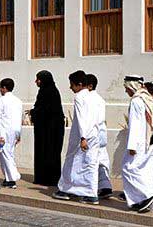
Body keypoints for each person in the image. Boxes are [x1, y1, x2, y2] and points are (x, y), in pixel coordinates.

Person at [56, 70, 100, 204]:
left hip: (81, 135)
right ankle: (90, 192)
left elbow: (81, 118)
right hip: (94, 133)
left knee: (71, 161)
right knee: (89, 164)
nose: (70, 88)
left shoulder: (80, 97)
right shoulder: (95, 97)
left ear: (80, 84)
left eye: (72, 85)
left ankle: (66, 189)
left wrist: (83, 137)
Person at [120, 76, 153, 213]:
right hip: (148, 140)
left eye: (126, 88)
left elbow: (136, 124)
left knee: (128, 168)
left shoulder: (137, 101)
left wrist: (132, 145)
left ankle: (147, 195)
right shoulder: (146, 98)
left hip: (139, 141)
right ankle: (140, 200)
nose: (126, 91)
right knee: (144, 169)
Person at [30, 70, 64, 187]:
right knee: (43, 152)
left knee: (51, 153)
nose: (36, 82)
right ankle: (42, 177)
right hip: (44, 130)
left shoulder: (51, 92)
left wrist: (34, 112)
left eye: (38, 79)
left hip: (51, 130)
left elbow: (48, 110)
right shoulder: (43, 91)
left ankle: (51, 179)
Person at [85, 74, 112, 198]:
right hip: (101, 133)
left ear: (90, 86)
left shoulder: (87, 99)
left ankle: (89, 189)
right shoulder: (100, 99)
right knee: (102, 160)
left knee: (91, 162)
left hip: (92, 133)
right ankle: (105, 186)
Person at [0, 78, 23, 189]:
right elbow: (20, 118)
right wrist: (18, 134)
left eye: (0, 88)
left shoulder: (2, 100)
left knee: (5, 153)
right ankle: (8, 178)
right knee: (9, 153)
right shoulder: (18, 101)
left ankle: (12, 178)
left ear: (4, 88)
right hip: (15, 130)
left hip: (5, 131)